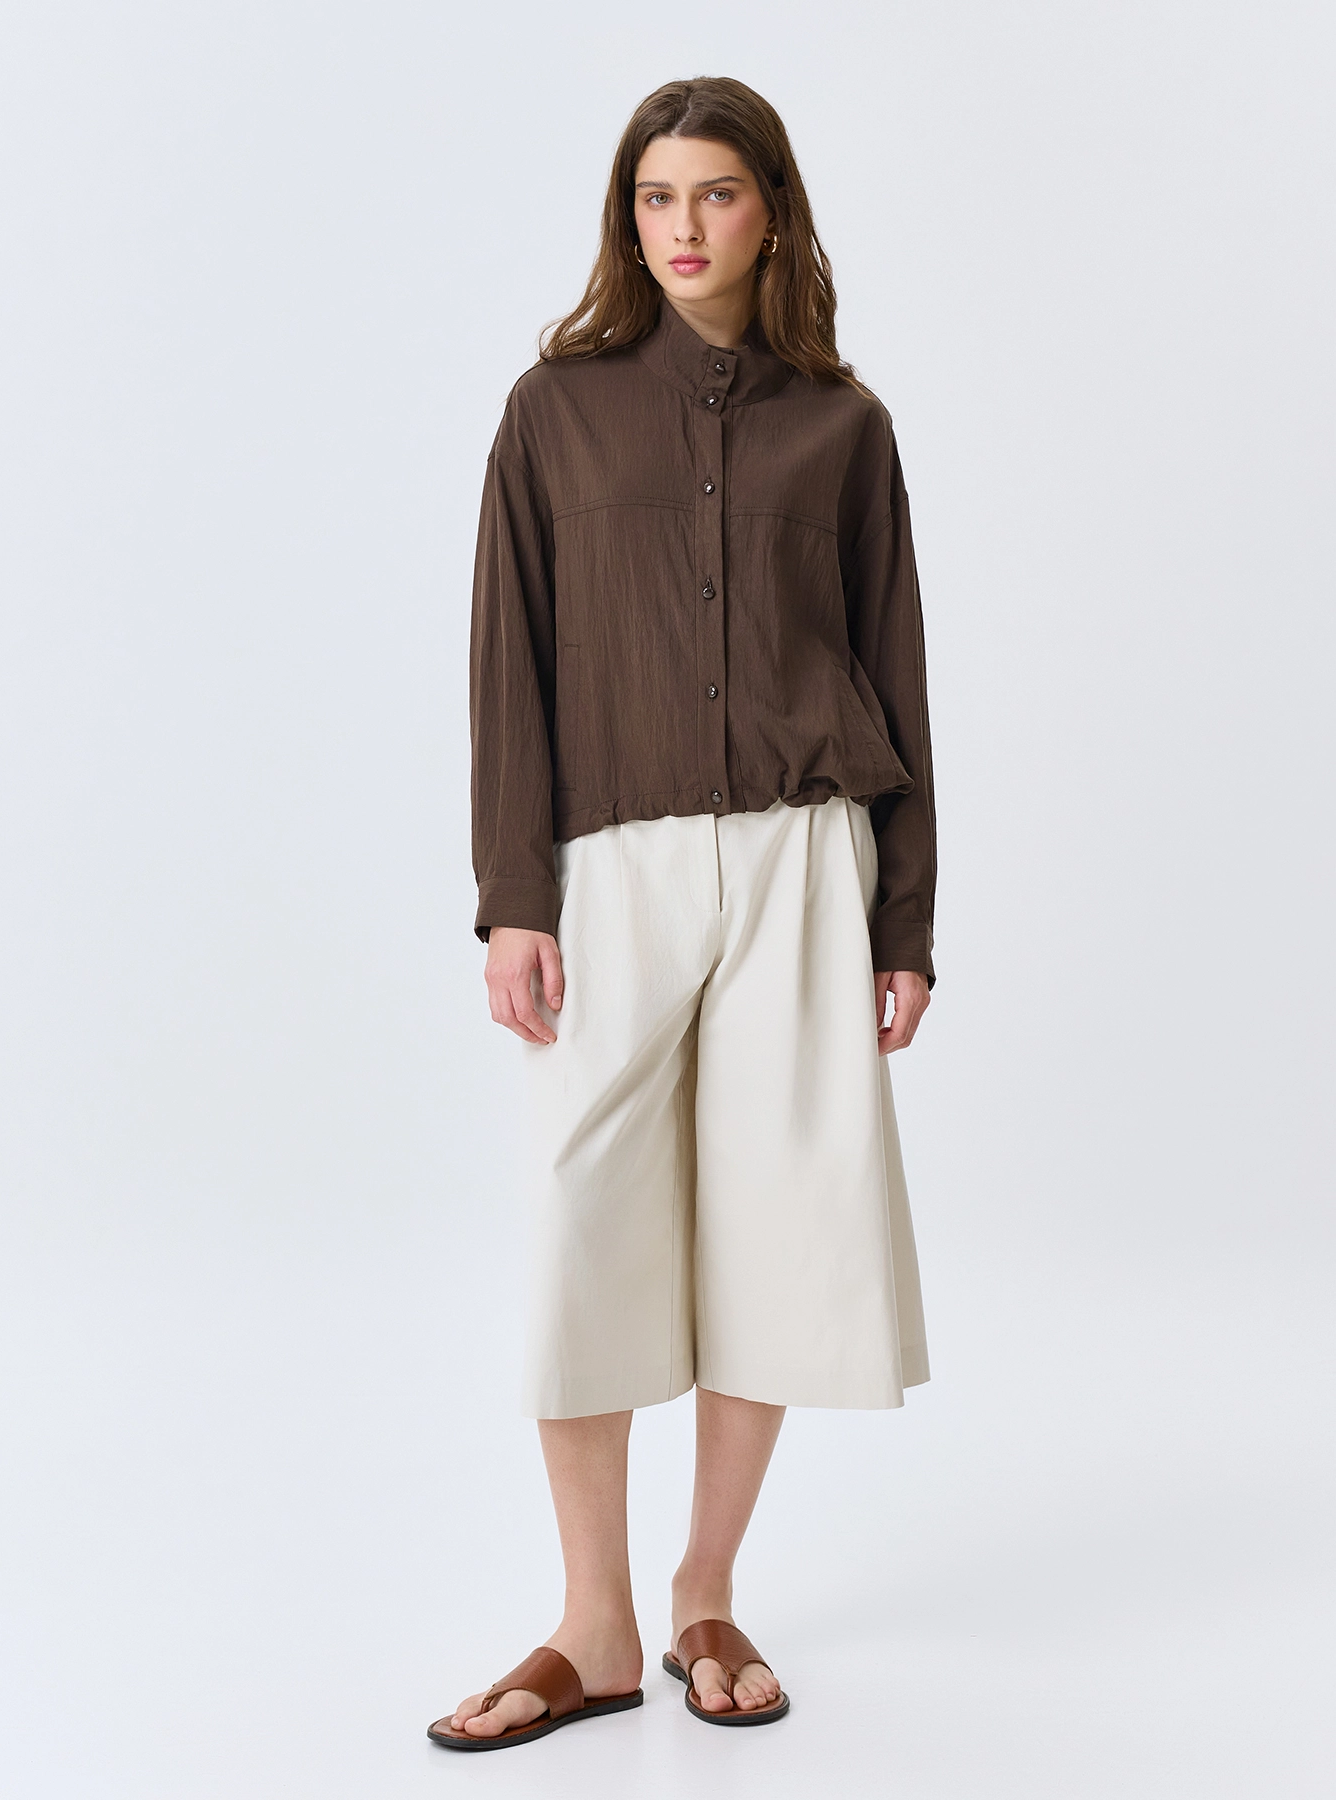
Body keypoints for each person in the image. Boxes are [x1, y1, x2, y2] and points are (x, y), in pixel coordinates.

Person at [428, 74, 937, 1752]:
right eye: (656, 198)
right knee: (585, 1216)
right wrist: (514, 896)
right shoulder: (553, 412)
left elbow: (894, 671)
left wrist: (904, 920)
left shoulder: (842, 425)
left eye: (716, 193)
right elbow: (508, 663)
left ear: (769, 212)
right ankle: (591, 1623)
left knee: (778, 1227)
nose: (684, 227)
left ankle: (704, 1587)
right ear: (625, 218)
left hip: (801, 861)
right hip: (613, 868)